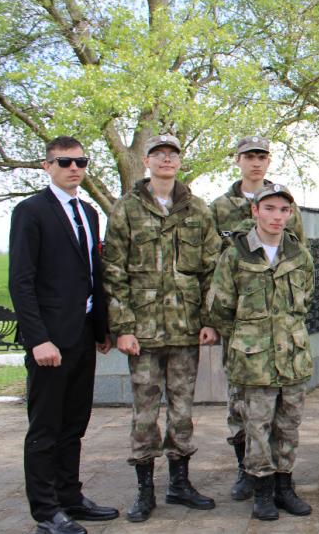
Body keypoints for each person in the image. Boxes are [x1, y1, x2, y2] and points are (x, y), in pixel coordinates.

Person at [103, 134, 221, 522]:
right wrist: (122, 326)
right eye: (159, 154)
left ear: (179, 162)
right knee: (144, 414)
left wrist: (208, 321)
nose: (166, 159)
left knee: (183, 412)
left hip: (186, 329)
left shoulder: (198, 211)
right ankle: (144, 490)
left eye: (173, 154)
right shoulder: (126, 209)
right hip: (144, 333)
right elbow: (114, 271)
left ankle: (180, 484)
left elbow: (210, 271)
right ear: (147, 161)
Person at [9, 136, 119, 534]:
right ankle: (46, 511)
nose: (74, 168)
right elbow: (21, 281)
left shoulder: (88, 212)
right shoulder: (31, 211)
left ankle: (70, 497)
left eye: (81, 161)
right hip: (49, 342)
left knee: (75, 423)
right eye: (65, 162)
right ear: (47, 166)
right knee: (45, 428)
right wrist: (38, 339)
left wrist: (101, 329)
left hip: (82, 336)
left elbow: (94, 274)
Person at [206, 184, 314, 521]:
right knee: (257, 426)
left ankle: (285, 487)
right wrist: (249, 340)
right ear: (255, 212)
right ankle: (262, 491)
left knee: (289, 426)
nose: (277, 216)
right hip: (254, 360)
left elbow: (305, 301)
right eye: (269, 209)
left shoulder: (299, 255)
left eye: (284, 210)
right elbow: (221, 308)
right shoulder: (236, 254)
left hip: (292, 357)